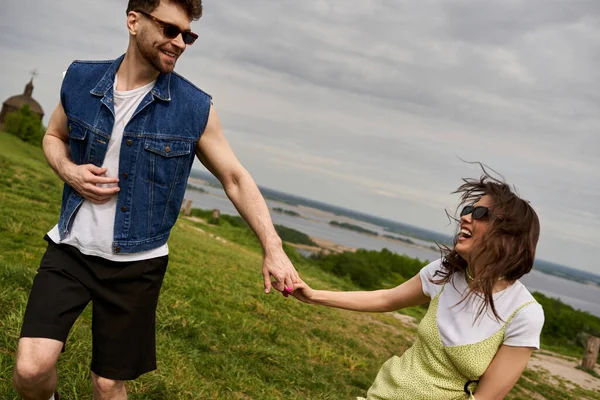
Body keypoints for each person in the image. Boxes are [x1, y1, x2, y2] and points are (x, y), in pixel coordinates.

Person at [13, 1, 300, 399]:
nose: (180, 42)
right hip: (70, 250)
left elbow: (235, 177)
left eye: (188, 35)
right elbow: (53, 136)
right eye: (170, 30)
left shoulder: (194, 107)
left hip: (137, 265)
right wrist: (68, 170)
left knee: (108, 383)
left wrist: (273, 246)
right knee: (30, 370)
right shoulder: (80, 78)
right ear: (134, 21)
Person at [291, 171, 545, 399]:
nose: (466, 217)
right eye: (468, 209)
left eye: (480, 213)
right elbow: (386, 299)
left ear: (509, 235)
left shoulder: (523, 314)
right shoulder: (444, 273)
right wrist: (314, 296)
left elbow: (485, 399)